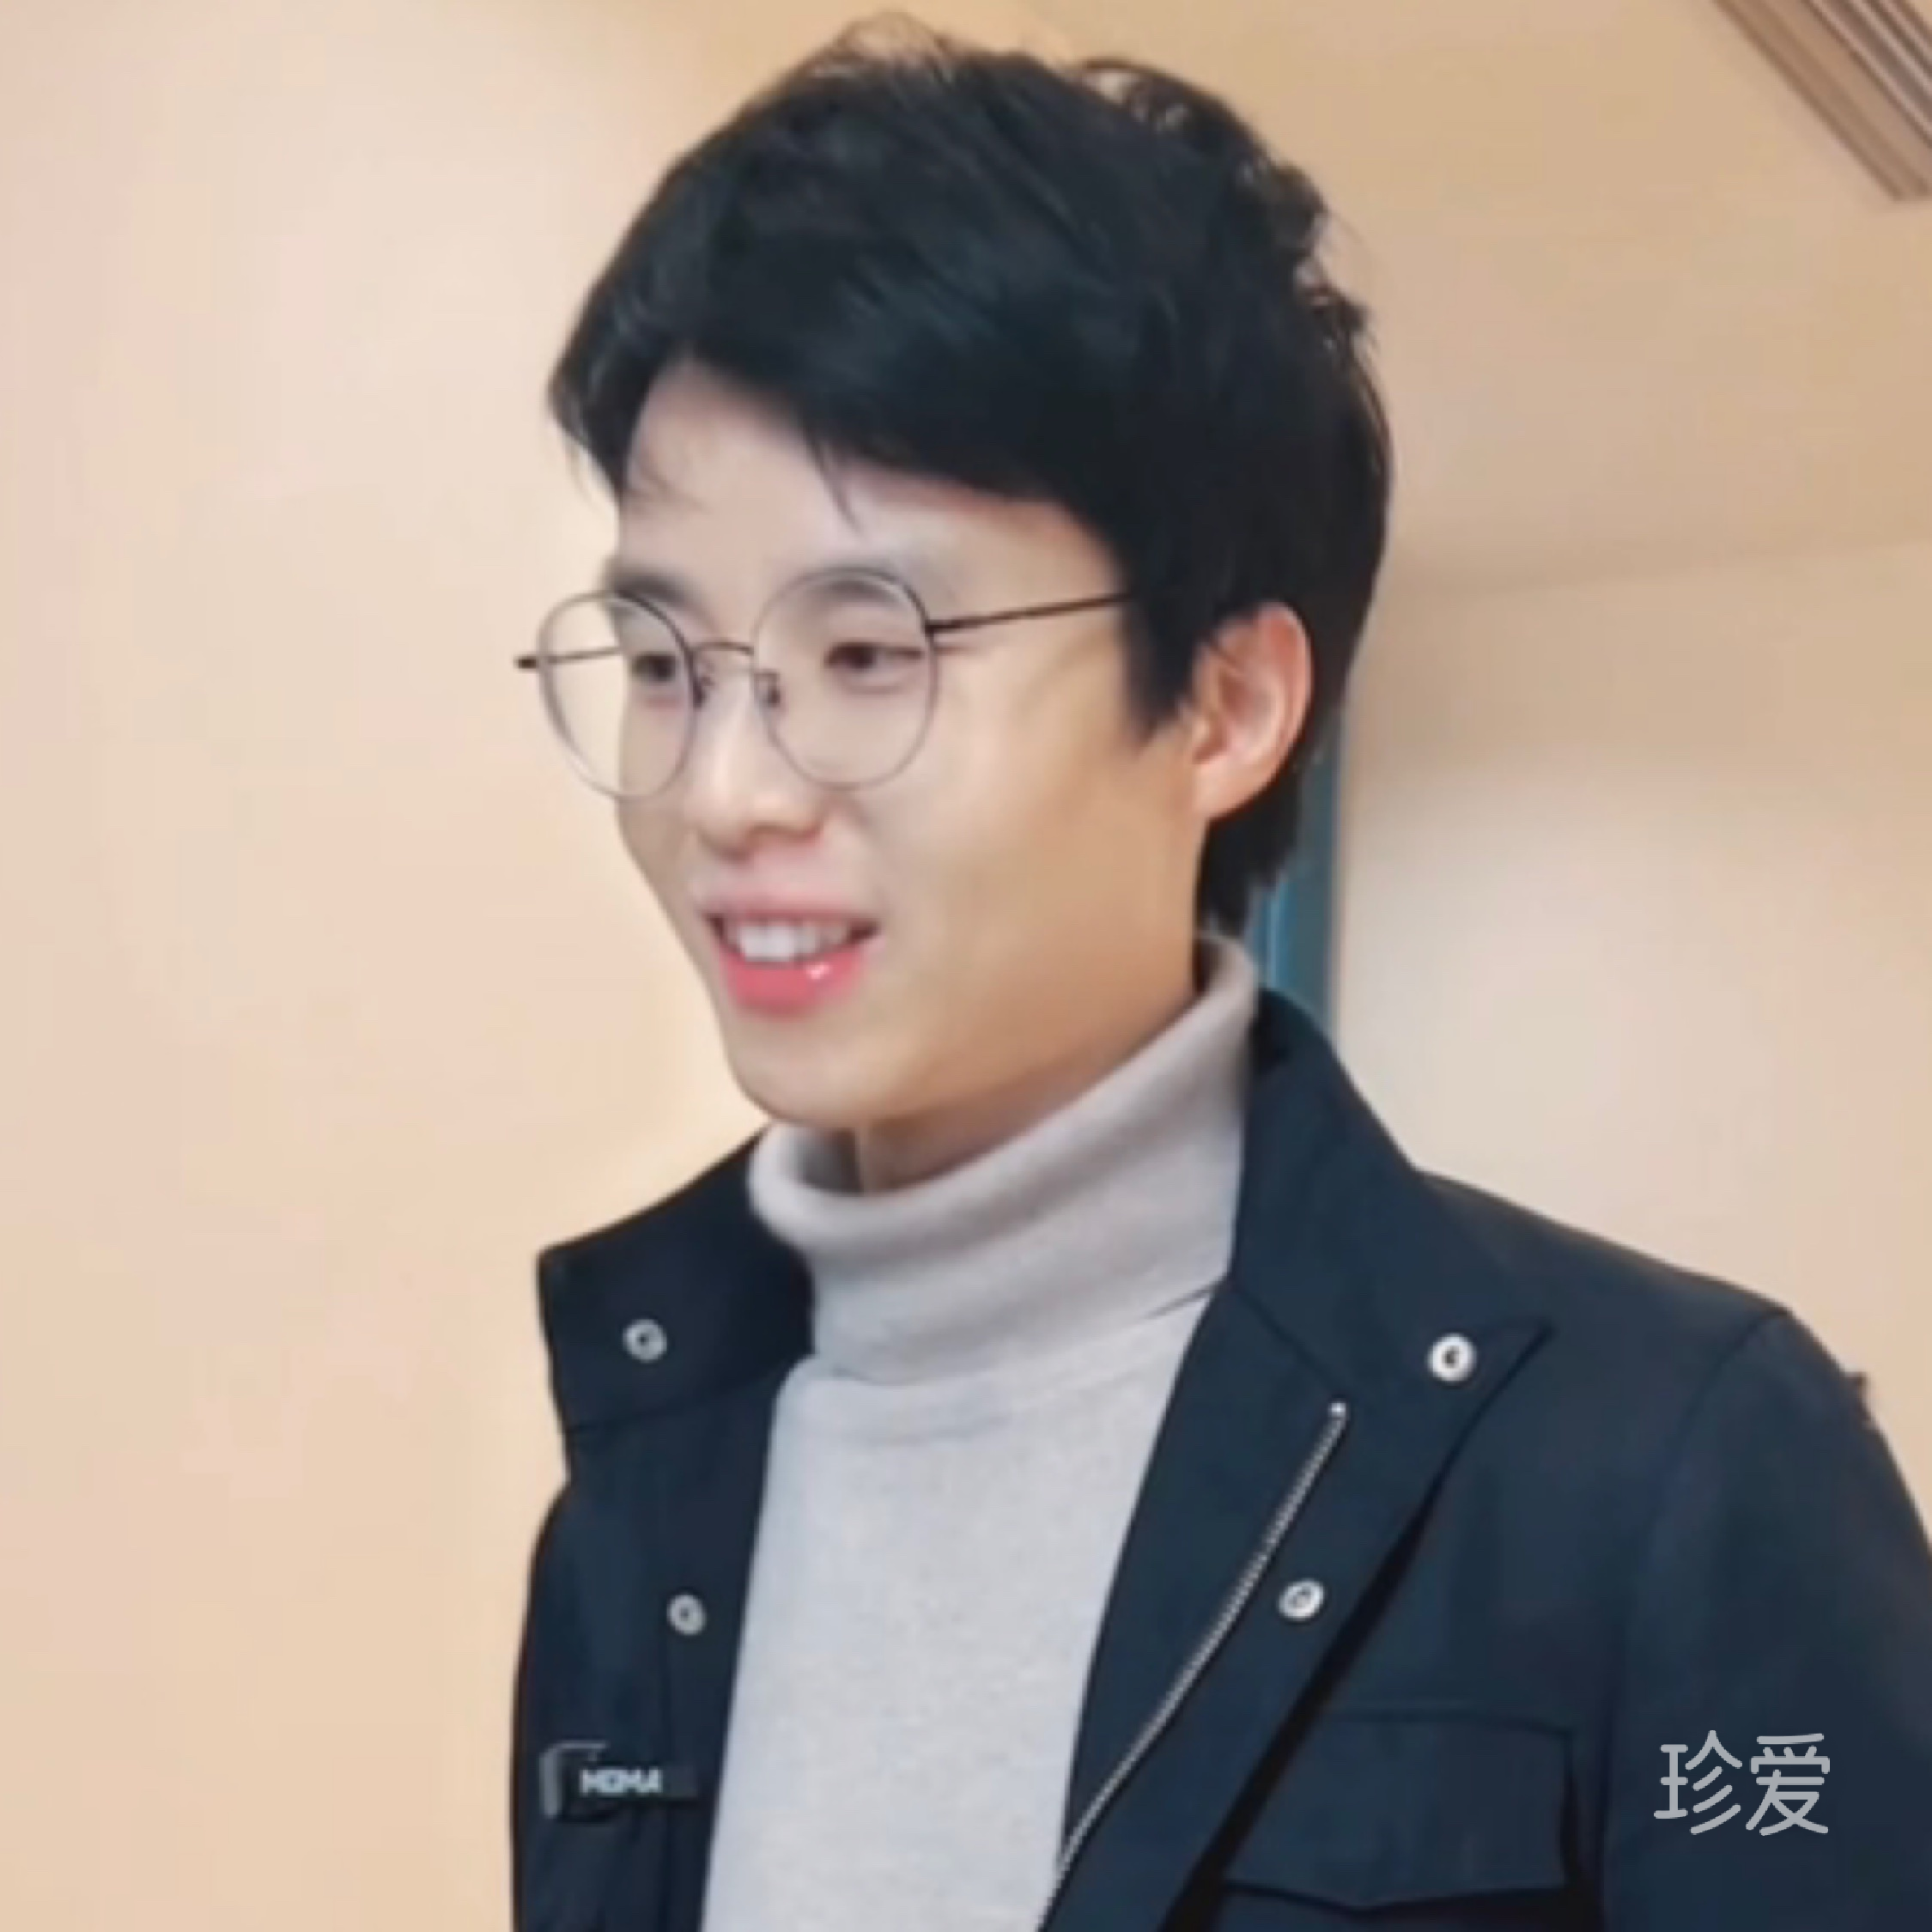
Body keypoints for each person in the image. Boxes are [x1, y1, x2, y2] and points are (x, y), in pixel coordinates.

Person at [507, 24, 1932, 1932]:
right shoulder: (637, 1499)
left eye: (870, 655)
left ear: (1225, 703)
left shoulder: (1679, 1465)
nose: (728, 793)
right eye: (666, 665)